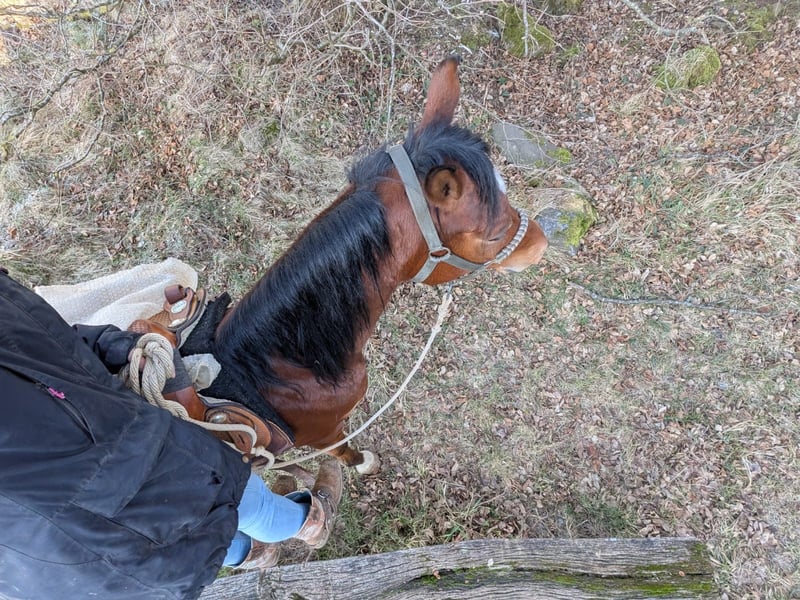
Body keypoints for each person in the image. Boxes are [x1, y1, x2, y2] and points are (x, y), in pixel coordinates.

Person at [0, 267, 342, 600]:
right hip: (118, 468)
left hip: (46, 575)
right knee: (233, 496)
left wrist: (119, 347)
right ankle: (309, 522)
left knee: (182, 546)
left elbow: (44, 338)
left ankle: (252, 552)